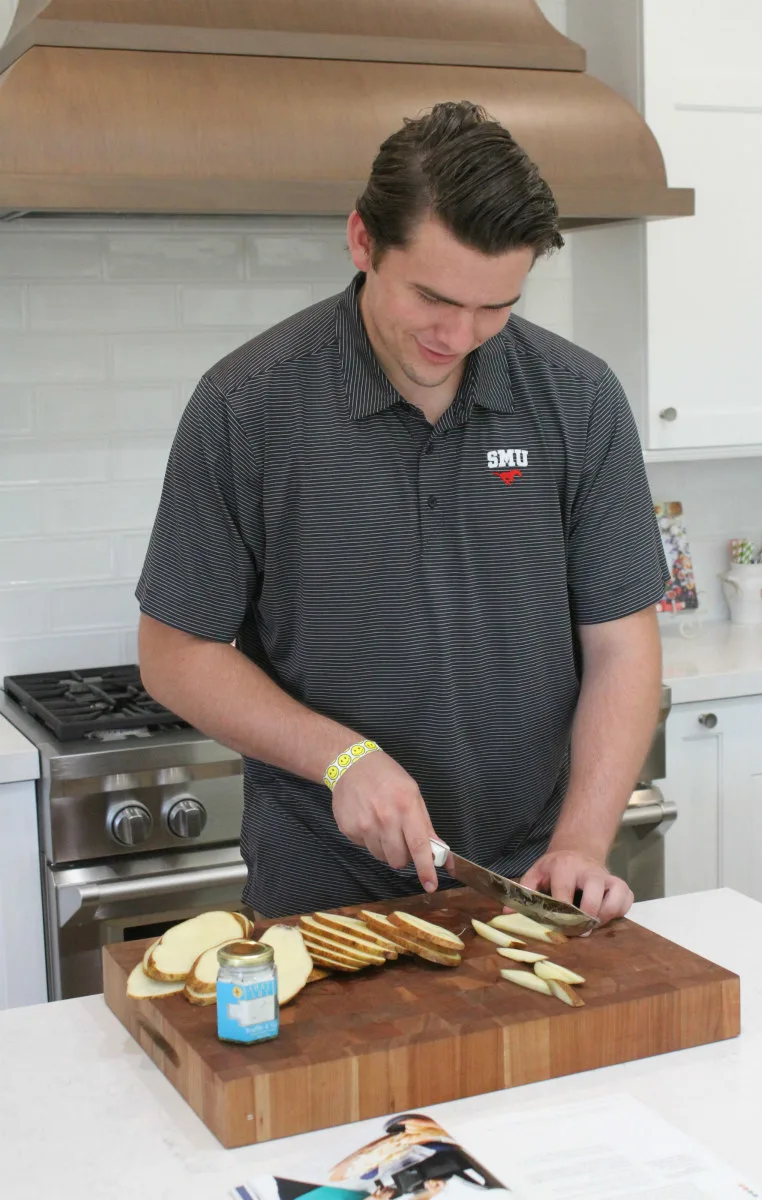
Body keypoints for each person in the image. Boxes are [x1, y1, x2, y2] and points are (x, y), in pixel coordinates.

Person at [137, 100, 668, 925]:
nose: (459, 335)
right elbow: (176, 653)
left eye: (497, 307)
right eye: (432, 297)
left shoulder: (579, 399)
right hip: (322, 891)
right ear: (362, 241)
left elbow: (622, 645)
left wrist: (583, 845)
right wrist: (342, 758)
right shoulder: (246, 405)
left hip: (529, 884)